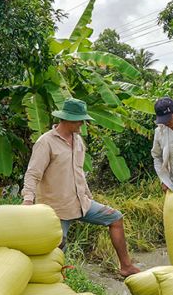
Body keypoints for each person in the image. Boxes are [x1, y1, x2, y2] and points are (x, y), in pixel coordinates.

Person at [22, 98, 140, 278]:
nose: (82, 124)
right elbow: (33, 173)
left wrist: (88, 195)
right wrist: (28, 200)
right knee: (57, 247)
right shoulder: (46, 142)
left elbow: (78, 172)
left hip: (81, 203)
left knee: (115, 218)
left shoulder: (78, 141)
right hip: (56, 208)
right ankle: (57, 280)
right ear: (67, 119)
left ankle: (126, 266)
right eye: (79, 120)